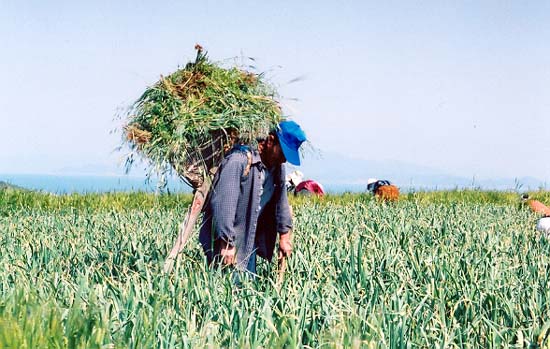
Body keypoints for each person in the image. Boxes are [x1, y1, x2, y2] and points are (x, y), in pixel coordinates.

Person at [199, 120, 307, 277]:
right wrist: (227, 243)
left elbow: (281, 202)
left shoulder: (277, 167)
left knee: (248, 290)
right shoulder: (239, 161)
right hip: (228, 243)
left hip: (248, 241)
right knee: (229, 293)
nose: (284, 160)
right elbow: (224, 204)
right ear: (270, 140)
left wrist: (284, 236)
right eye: (283, 153)